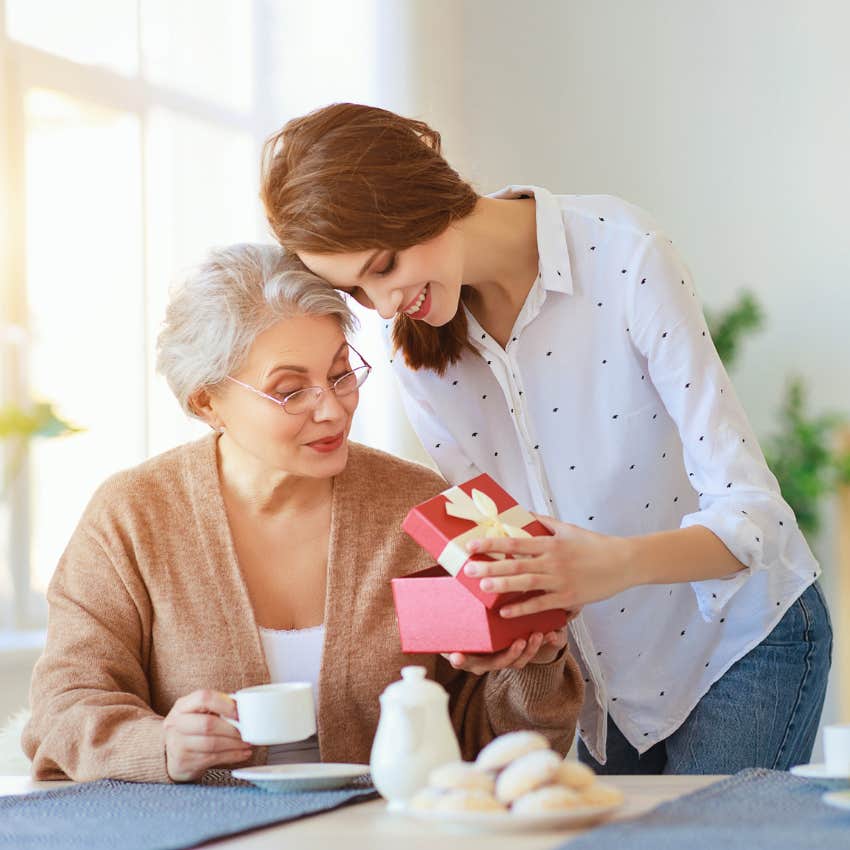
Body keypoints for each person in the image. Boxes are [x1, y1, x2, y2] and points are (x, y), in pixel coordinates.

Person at [259, 103, 832, 774]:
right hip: (605, 686)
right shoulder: (418, 355)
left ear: (425, 195)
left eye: (383, 266)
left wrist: (609, 565)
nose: (384, 304)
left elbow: (756, 516)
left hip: (740, 642)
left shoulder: (623, 254)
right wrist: (510, 625)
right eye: (356, 291)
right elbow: (508, 543)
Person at [22, 244, 583, 783]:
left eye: (341, 373)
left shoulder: (423, 507)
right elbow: (63, 708)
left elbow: (489, 746)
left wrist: (534, 660)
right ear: (206, 402)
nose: (333, 408)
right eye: (291, 391)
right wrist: (160, 744)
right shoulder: (132, 516)